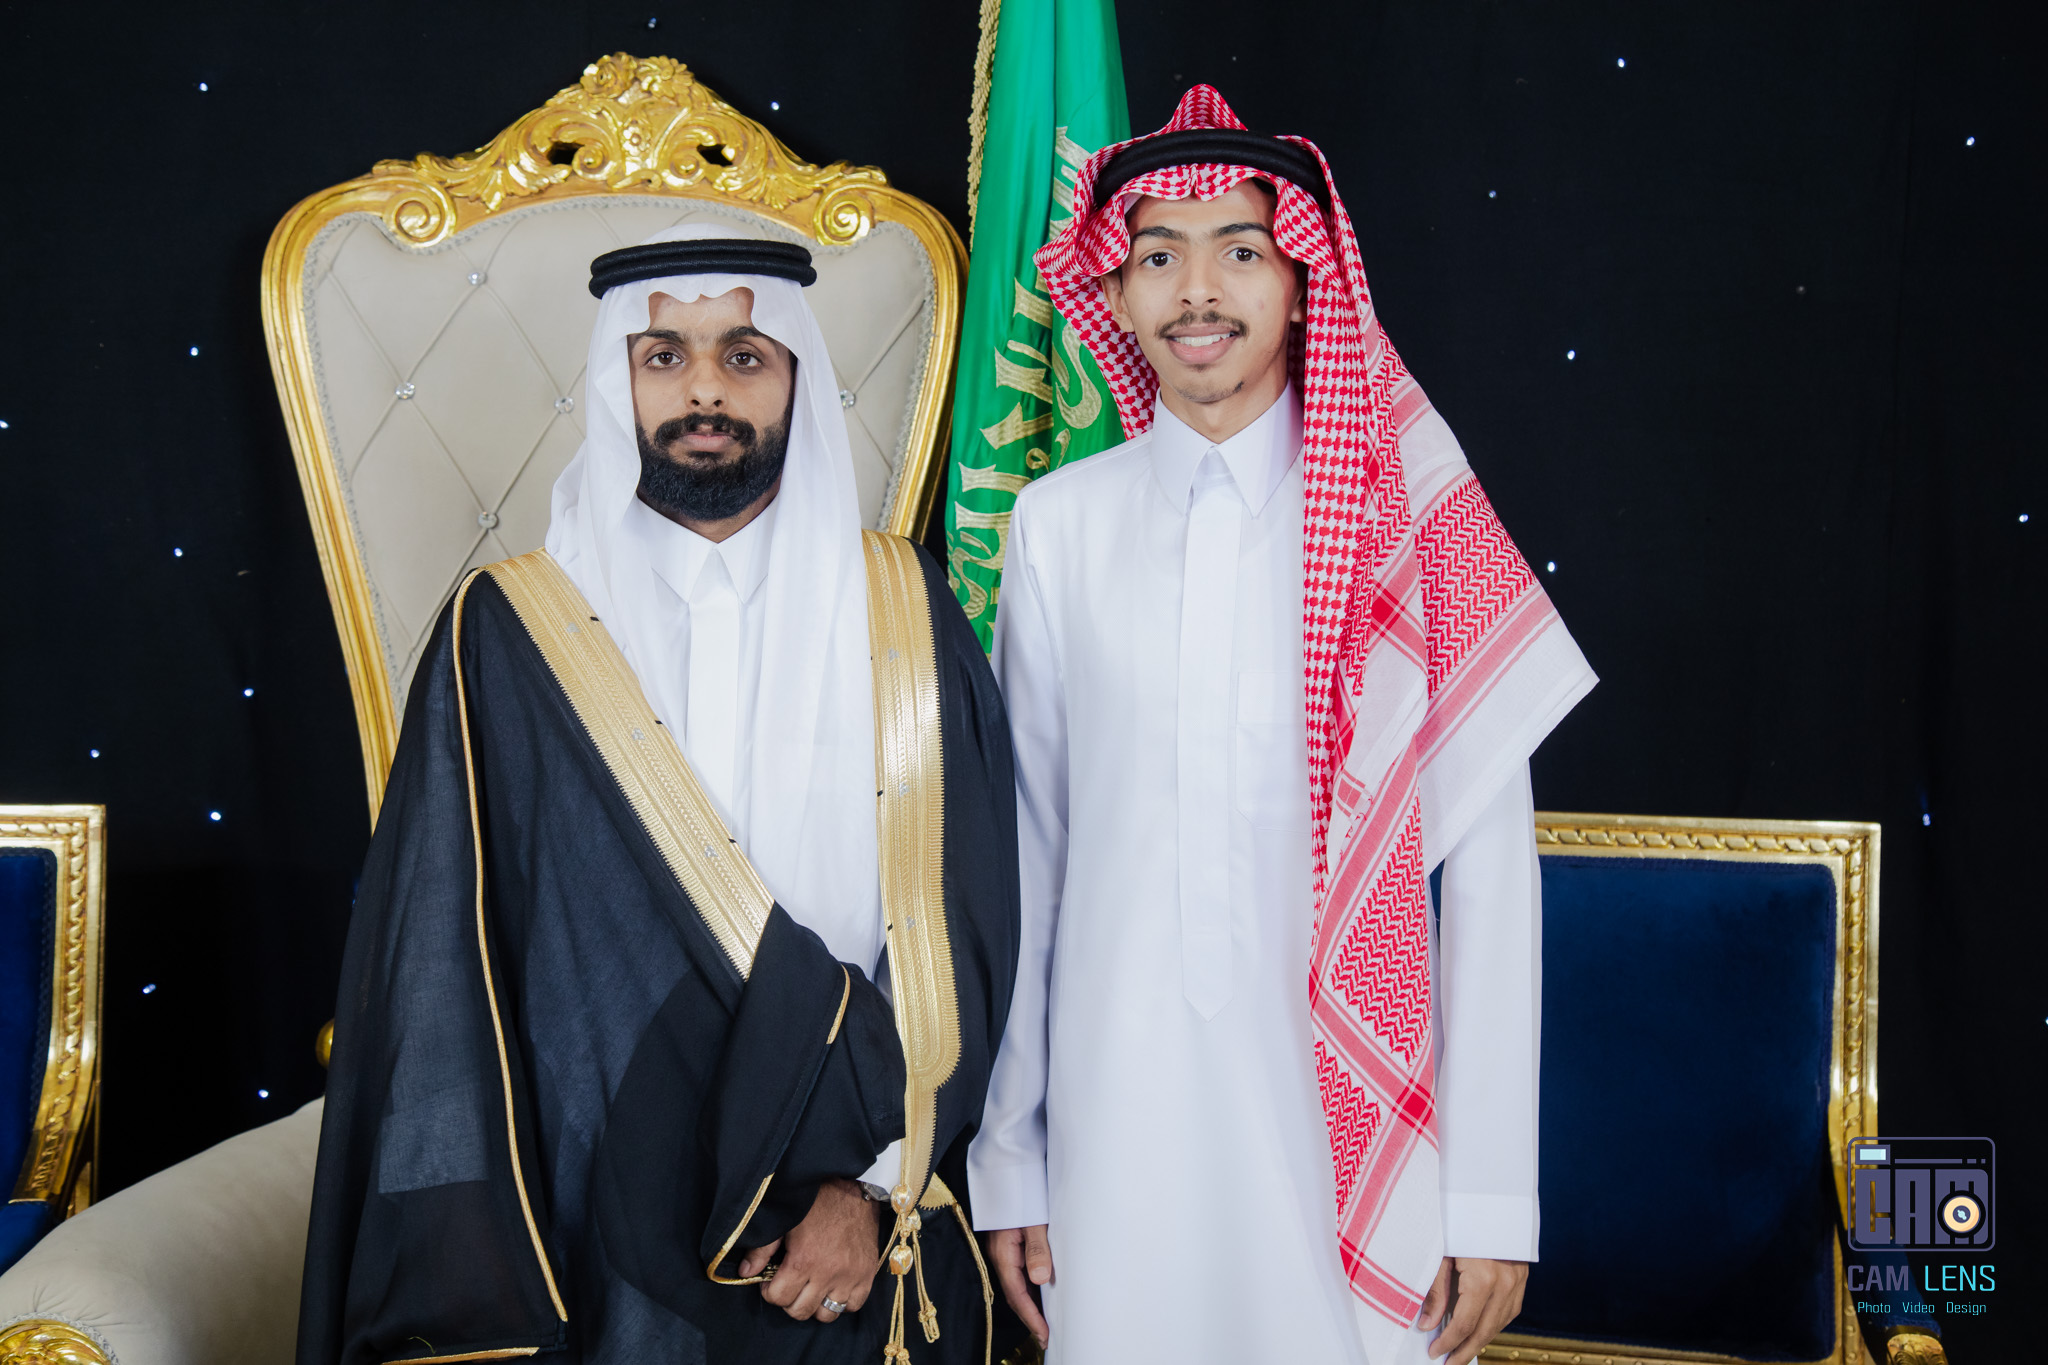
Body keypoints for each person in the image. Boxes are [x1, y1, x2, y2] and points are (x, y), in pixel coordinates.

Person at [299, 226, 1020, 1365]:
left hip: (837, 1211)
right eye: (664, 356)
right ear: (617, 381)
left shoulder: (898, 608)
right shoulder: (510, 630)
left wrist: (875, 1186)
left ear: (795, 378)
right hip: (581, 1206)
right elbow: (442, 966)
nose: (703, 389)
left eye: (744, 355)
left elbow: (961, 928)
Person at [968, 88, 1597, 1365]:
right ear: (1113, 291)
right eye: (1157, 257)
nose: (1196, 291)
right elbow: (1026, 859)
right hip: (1112, 1121)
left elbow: (1487, 876)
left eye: (1240, 251)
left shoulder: (1406, 521)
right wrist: (1009, 1159)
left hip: (1348, 1126)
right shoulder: (1057, 526)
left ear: (1304, 283)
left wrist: (1487, 1196)